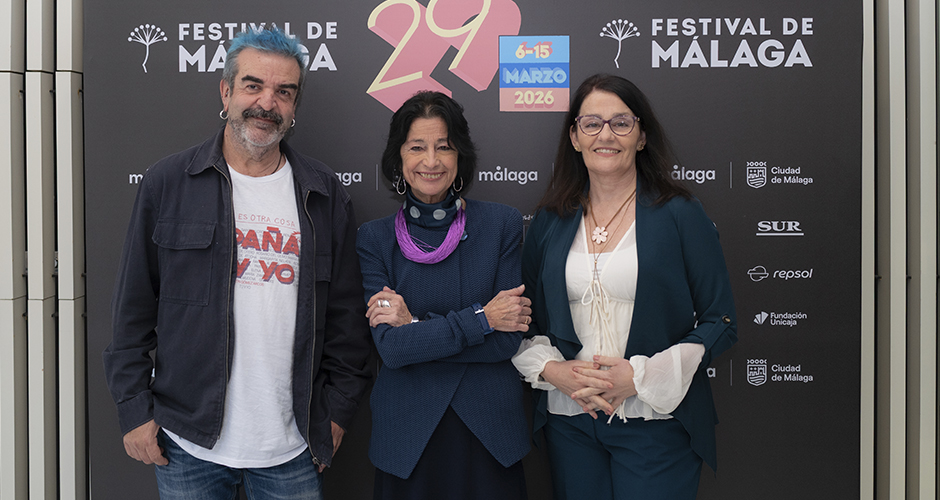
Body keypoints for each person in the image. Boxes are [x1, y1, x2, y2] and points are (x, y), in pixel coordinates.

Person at [103, 27, 372, 499]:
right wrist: (134, 411)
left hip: (293, 446)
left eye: (284, 92)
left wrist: (337, 412)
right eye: (253, 85)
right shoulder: (168, 183)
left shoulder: (324, 193)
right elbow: (132, 310)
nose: (267, 103)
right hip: (187, 444)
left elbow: (346, 319)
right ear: (226, 91)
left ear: (295, 106)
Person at [512, 74, 737, 499]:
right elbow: (526, 319)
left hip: (656, 421)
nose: (606, 135)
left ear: (641, 135)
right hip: (571, 421)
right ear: (575, 137)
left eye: (621, 123)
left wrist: (638, 377)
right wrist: (554, 372)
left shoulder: (680, 213)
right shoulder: (549, 221)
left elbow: (720, 321)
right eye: (591, 123)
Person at [356, 91, 531, 499]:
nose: (431, 161)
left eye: (444, 147)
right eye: (417, 147)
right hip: (408, 436)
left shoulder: (501, 225)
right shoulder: (374, 238)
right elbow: (392, 349)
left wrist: (415, 327)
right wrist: (482, 319)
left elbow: (507, 341)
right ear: (399, 157)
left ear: (460, 156)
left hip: (488, 432)